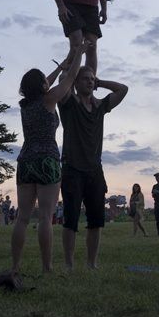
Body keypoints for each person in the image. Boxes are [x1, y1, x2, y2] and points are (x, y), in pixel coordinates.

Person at [11, 42, 88, 273]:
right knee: (46, 217)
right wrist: (79, 56)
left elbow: (49, 81)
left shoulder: (26, 105)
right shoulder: (49, 100)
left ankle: (15, 266)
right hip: (47, 161)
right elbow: (71, 77)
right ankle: (47, 267)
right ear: (42, 86)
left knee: (22, 218)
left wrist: (62, 63)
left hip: (25, 161)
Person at [59, 66, 128, 269]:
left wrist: (100, 82)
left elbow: (123, 89)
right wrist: (72, 72)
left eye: (92, 79)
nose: (90, 81)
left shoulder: (100, 106)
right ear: (76, 82)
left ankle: (92, 264)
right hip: (72, 169)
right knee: (70, 220)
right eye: (86, 79)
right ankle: (69, 265)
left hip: (95, 170)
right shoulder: (69, 103)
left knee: (96, 221)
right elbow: (63, 78)